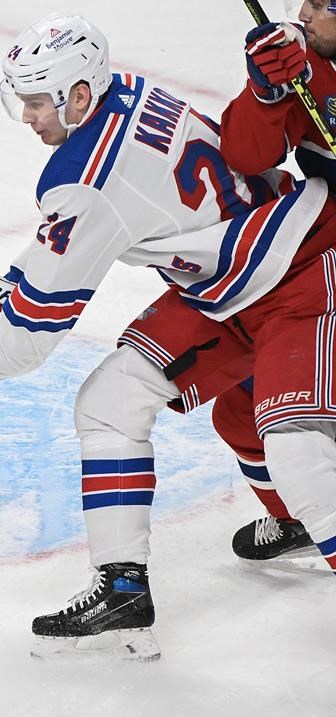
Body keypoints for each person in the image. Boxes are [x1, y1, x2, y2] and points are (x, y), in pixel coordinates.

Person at [0, 13, 336, 661]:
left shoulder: (85, 179)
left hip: (303, 260)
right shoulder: (124, 89)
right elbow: (70, 241)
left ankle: (307, 509)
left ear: (78, 97)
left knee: (295, 442)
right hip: (234, 281)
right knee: (110, 403)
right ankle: (123, 584)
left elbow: (33, 335)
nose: (27, 117)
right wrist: (19, 283)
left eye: (38, 102)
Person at [212, 0, 336, 560]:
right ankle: (297, 517)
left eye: (320, 4)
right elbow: (243, 155)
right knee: (241, 409)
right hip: (321, 252)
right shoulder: (299, 57)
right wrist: (266, 93)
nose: (304, 13)